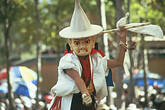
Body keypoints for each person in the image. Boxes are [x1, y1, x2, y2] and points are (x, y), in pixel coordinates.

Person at [48, 0, 127, 110]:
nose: (81, 46)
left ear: (93, 41)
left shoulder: (97, 59)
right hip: (72, 102)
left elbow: (118, 62)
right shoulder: (68, 60)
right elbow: (77, 78)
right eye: (77, 43)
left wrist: (123, 39)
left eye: (86, 42)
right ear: (70, 43)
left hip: (89, 101)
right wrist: (85, 93)